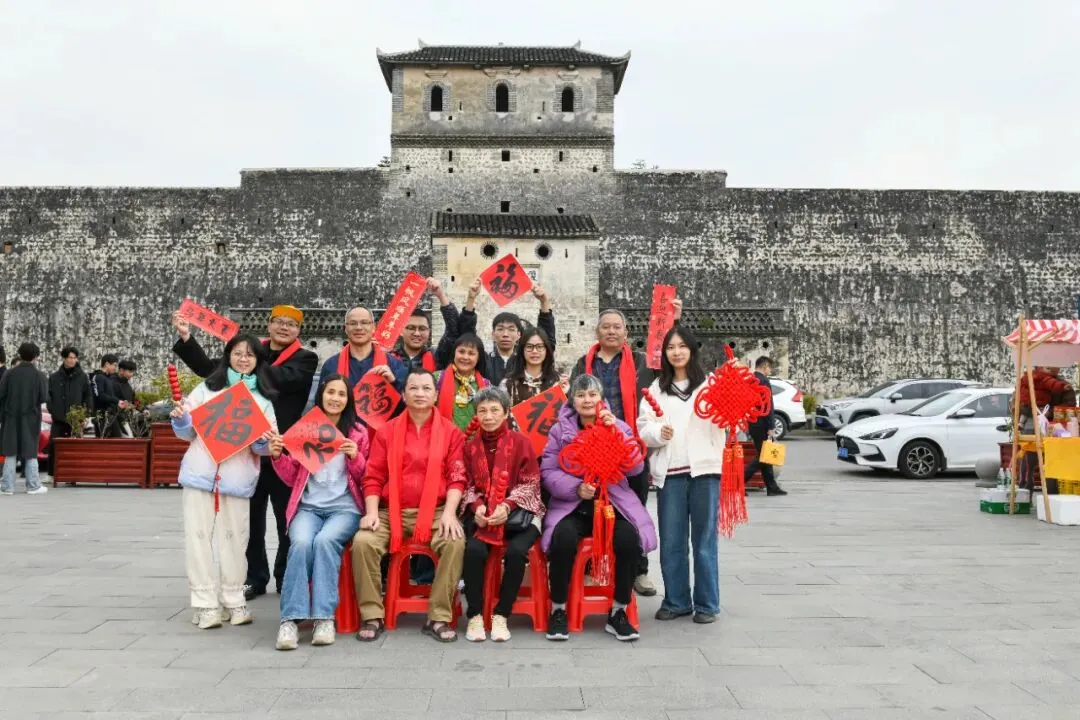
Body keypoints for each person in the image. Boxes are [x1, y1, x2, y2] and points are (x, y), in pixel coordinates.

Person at [174, 304, 319, 601]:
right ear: (269, 325)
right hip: (243, 452)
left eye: (291, 324)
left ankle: (284, 575)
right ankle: (254, 578)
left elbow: (278, 378)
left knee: (287, 519)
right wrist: (188, 339)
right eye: (278, 322)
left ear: (299, 330)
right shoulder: (252, 354)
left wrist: (242, 361)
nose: (284, 327)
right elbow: (212, 370)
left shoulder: (305, 359)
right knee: (249, 521)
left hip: (282, 452)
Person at [569, 304, 681, 597]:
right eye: (606, 326)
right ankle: (593, 567)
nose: (611, 331)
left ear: (626, 332)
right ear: (597, 331)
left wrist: (672, 323)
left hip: (630, 449)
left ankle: (638, 571)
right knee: (593, 509)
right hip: (593, 451)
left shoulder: (643, 362)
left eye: (616, 327)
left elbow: (670, 362)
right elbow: (572, 401)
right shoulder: (583, 363)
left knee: (635, 511)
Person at [351, 368, 467, 644]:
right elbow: (373, 477)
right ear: (403, 395)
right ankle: (372, 614)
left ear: (436, 395)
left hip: (436, 511)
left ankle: (438, 616)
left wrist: (450, 513)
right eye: (413, 388)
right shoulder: (387, 431)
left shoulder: (450, 432)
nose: (420, 394)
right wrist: (371, 513)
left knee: (454, 542)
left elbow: (457, 477)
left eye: (426, 388)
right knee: (363, 542)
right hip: (391, 511)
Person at [170, 334, 278, 630]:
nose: (243, 359)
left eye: (250, 355)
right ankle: (205, 603)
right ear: (228, 355)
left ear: (258, 361)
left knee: (236, 539)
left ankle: (233, 598)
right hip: (200, 474)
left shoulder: (263, 400)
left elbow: (265, 446)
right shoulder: (207, 389)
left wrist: (264, 441)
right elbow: (186, 432)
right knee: (198, 538)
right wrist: (181, 419)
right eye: (238, 353)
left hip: (237, 479)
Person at [540, 374, 657, 642]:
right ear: (572, 400)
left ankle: (618, 610)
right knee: (563, 539)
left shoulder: (619, 426)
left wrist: (617, 431)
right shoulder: (559, 431)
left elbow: (636, 467)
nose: (587, 400)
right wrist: (576, 488)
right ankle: (558, 608)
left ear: (601, 399)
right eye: (581, 395)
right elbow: (548, 471)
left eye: (592, 395)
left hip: (612, 504)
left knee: (628, 541)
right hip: (574, 506)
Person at [269, 373, 370, 650]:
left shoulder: (357, 433)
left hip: (345, 508)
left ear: (348, 400)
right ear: (321, 395)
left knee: (325, 542)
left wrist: (355, 456)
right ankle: (290, 619)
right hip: (309, 508)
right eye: (330, 392)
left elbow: (367, 477)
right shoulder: (308, 428)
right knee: (301, 543)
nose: (335, 398)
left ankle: (324, 617)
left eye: (341, 394)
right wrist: (277, 456)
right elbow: (291, 477)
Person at [637, 325, 724, 624]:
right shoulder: (656, 390)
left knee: (704, 541)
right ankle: (676, 601)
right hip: (670, 473)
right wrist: (658, 433)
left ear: (692, 349)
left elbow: (729, 419)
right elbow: (643, 427)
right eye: (671, 347)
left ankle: (707, 604)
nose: (676, 352)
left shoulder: (710, 386)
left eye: (682, 346)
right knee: (672, 541)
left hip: (705, 471)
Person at [460, 387, 546, 642]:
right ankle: (475, 614)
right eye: (482, 411)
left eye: (495, 410)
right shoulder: (470, 447)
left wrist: (507, 505)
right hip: (484, 516)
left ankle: (502, 614)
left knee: (517, 552)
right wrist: (477, 507)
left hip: (520, 514)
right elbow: (466, 485)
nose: (488, 416)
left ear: (506, 412)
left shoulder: (522, 442)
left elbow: (531, 483)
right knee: (474, 550)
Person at [459, 279, 556, 386]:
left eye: (511, 329)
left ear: (519, 335)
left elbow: (547, 342)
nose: (505, 334)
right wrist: (471, 299)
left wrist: (544, 302)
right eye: (500, 329)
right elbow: (466, 337)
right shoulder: (484, 361)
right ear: (493, 335)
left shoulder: (525, 360)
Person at [319, 306, 409, 391]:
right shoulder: (331, 365)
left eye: (364, 322)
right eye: (353, 323)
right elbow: (320, 400)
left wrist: (394, 382)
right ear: (345, 329)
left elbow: (406, 400)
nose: (358, 327)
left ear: (373, 327)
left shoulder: (394, 365)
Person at [0, 343, 49, 496]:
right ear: (35, 357)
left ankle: (7, 487)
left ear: (20, 355)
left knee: (10, 451)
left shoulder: (9, 374)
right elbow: (44, 397)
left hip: (11, 417)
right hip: (31, 417)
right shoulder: (39, 375)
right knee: (30, 451)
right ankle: (33, 485)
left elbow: (1, 394)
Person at [390, 278, 463, 371]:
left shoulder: (437, 357)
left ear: (429, 332)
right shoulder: (388, 359)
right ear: (401, 331)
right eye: (411, 328)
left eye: (422, 329)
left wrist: (440, 295)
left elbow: (453, 330)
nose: (417, 333)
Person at [46, 346, 94, 473]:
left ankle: (73, 474)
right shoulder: (54, 377)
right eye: (70, 357)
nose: (72, 360)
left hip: (76, 419)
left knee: (75, 448)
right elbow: (48, 397)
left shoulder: (82, 377)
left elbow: (88, 396)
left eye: (74, 358)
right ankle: (51, 473)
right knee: (54, 446)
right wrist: (53, 411)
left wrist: (85, 414)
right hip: (58, 418)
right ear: (64, 358)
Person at [743, 356, 786, 496]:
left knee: (765, 455)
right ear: (765, 366)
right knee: (763, 457)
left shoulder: (750, 379)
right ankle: (739, 482)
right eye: (769, 367)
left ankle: (771, 487)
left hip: (753, 422)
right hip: (762, 424)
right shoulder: (764, 381)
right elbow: (768, 405)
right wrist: (771, 426)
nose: (770, 370)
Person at [434, 334, 490, 431]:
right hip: (443, 436)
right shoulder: (436, 378)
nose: (465, 357)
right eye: (461, 352)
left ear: (478, 358)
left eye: (471, 353)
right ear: (454, 353)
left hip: (476, 438)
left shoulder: (486, 385)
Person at [501, 327, 566, 407]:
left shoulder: (558, 382)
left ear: (546, 350)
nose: (534, 351)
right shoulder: (508, 383)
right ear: (522, 350)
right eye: (529, 346)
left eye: (540, 346)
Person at [89, 353, 123, 437]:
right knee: (104, 441)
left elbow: (110, 396)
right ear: (107, 364)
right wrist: (117, 401)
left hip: (111, 415)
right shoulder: (98, 377)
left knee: (117, 440)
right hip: (102, 416)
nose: (116, 368)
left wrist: (119, 402)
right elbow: (100, 395)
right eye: (114, 365)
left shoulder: (108, 379)